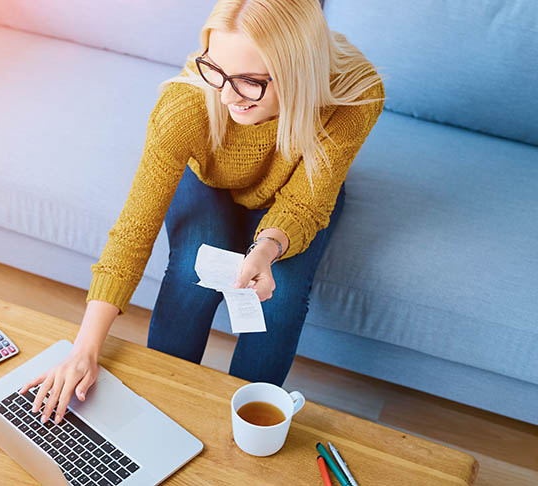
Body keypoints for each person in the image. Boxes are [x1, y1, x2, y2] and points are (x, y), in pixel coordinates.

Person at [21, 0, 385, 426]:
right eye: (215, 69)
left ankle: (249, 418)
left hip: (298, 194)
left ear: (298, 72)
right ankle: (157, 413)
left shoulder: (355, 93)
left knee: (280, 299)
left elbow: (304, 203)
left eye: (249, 81)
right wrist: (84, 347)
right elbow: (133, 231)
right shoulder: (187, 104)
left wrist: (266, 249)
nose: (226, 95)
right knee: (191, 277)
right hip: (209, 180)